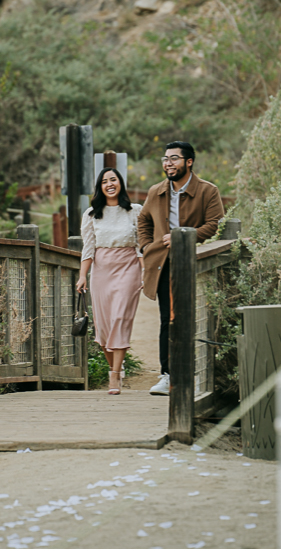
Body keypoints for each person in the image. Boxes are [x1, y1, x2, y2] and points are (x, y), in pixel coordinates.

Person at [137, 141, 224, 395]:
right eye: (165, 159)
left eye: (174, 158)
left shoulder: (208, 191)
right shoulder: (156, 191)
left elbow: (216, 225)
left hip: (195, 265)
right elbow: (143, 220)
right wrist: (146, 247)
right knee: (168, 320)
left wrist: (183, 236)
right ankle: (167, 375)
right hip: (163, 266)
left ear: (189, 162)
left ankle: (196, 375)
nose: (168, 163)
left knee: (197, 319)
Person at [77, 167, 143, 394]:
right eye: (105, 181)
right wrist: (82, 276)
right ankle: (116, 366)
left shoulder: (135, 211)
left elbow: (141, 246)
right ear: (100, 187)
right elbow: (88, 248)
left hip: (129, 267)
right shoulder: (91, 214)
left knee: (119, 317)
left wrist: (144, 272)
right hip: (101, 270)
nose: (109, 184)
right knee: (103, 328)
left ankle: (114, 376)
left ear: (120, 183)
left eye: (113, 179)